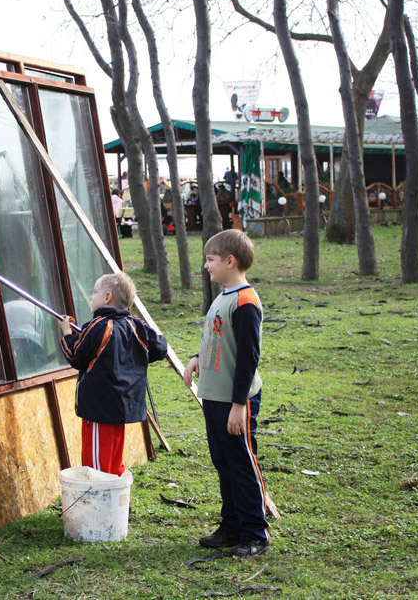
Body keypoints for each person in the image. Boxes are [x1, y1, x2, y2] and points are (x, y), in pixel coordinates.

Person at [183, 229, 270, 558]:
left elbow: (248, 358)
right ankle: (231, 526)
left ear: (230, 261)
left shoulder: (245, 302)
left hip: (236, 401)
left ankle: (255, 534)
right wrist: (196, 357)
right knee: (224, 462)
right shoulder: (223, 297)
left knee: (242, 464)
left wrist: (238, 405)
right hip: (214, 397)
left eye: (210, 259)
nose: (206, 266)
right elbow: (217, 338)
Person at [58, 273, 168, 477]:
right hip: (122, 408)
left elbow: (76, 356)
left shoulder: (98, 325)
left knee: (96, 468)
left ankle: (101, 497)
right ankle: (118, 496)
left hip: (99, 410)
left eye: (95, 292)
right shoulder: (136, 325)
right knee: (114, 462)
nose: (91, 297)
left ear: (107, 297)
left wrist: (66, 333)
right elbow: (160, 347)